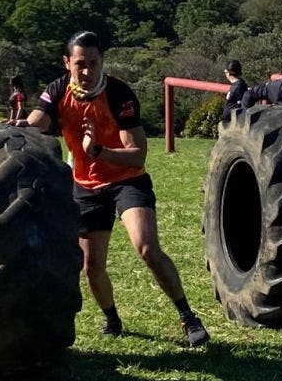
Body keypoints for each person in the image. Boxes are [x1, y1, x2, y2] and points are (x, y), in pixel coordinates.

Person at [18, 31, 210, 347]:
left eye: (93, 63)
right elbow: (40, 118)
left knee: (146, 247)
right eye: (80, 63)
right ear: (67, 63)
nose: (87, 70)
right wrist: (24, 125)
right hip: (86, 187)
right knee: (92, 266)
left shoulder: (118, 94)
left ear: (102, 61)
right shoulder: (58, 90)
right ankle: (112, 318)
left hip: (127, 180)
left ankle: (188, 317)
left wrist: (99, 152)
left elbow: (137, 153)